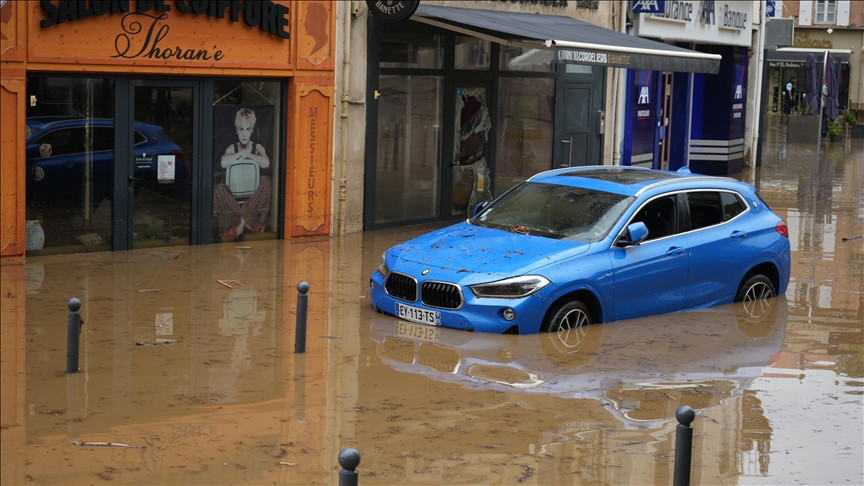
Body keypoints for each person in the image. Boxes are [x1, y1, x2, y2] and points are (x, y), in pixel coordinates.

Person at [213, 108, 272, 242]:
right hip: (233, 200)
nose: (244, 134)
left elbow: (266, 163)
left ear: (252, 130)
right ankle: (247, 223)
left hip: (252, 199)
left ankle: (239, 225)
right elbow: (223, 163)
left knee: (266, 181)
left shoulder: (257, 148)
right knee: (218, 189)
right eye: (241, 129)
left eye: (247, 129)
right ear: (236, 130)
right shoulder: (231, 148)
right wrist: (241, 154)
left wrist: (249, 155)